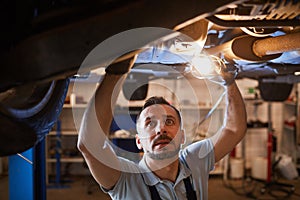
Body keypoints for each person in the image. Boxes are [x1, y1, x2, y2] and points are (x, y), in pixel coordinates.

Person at [77, 55, 247, 200]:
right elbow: (90, 145)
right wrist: (117, 71)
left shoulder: (195, 161)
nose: (161, 129)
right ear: (139, 142)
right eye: (150, 123)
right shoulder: (127, 179)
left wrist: (229, 83)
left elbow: (233, 130)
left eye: (170, 121)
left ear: (182, 137)